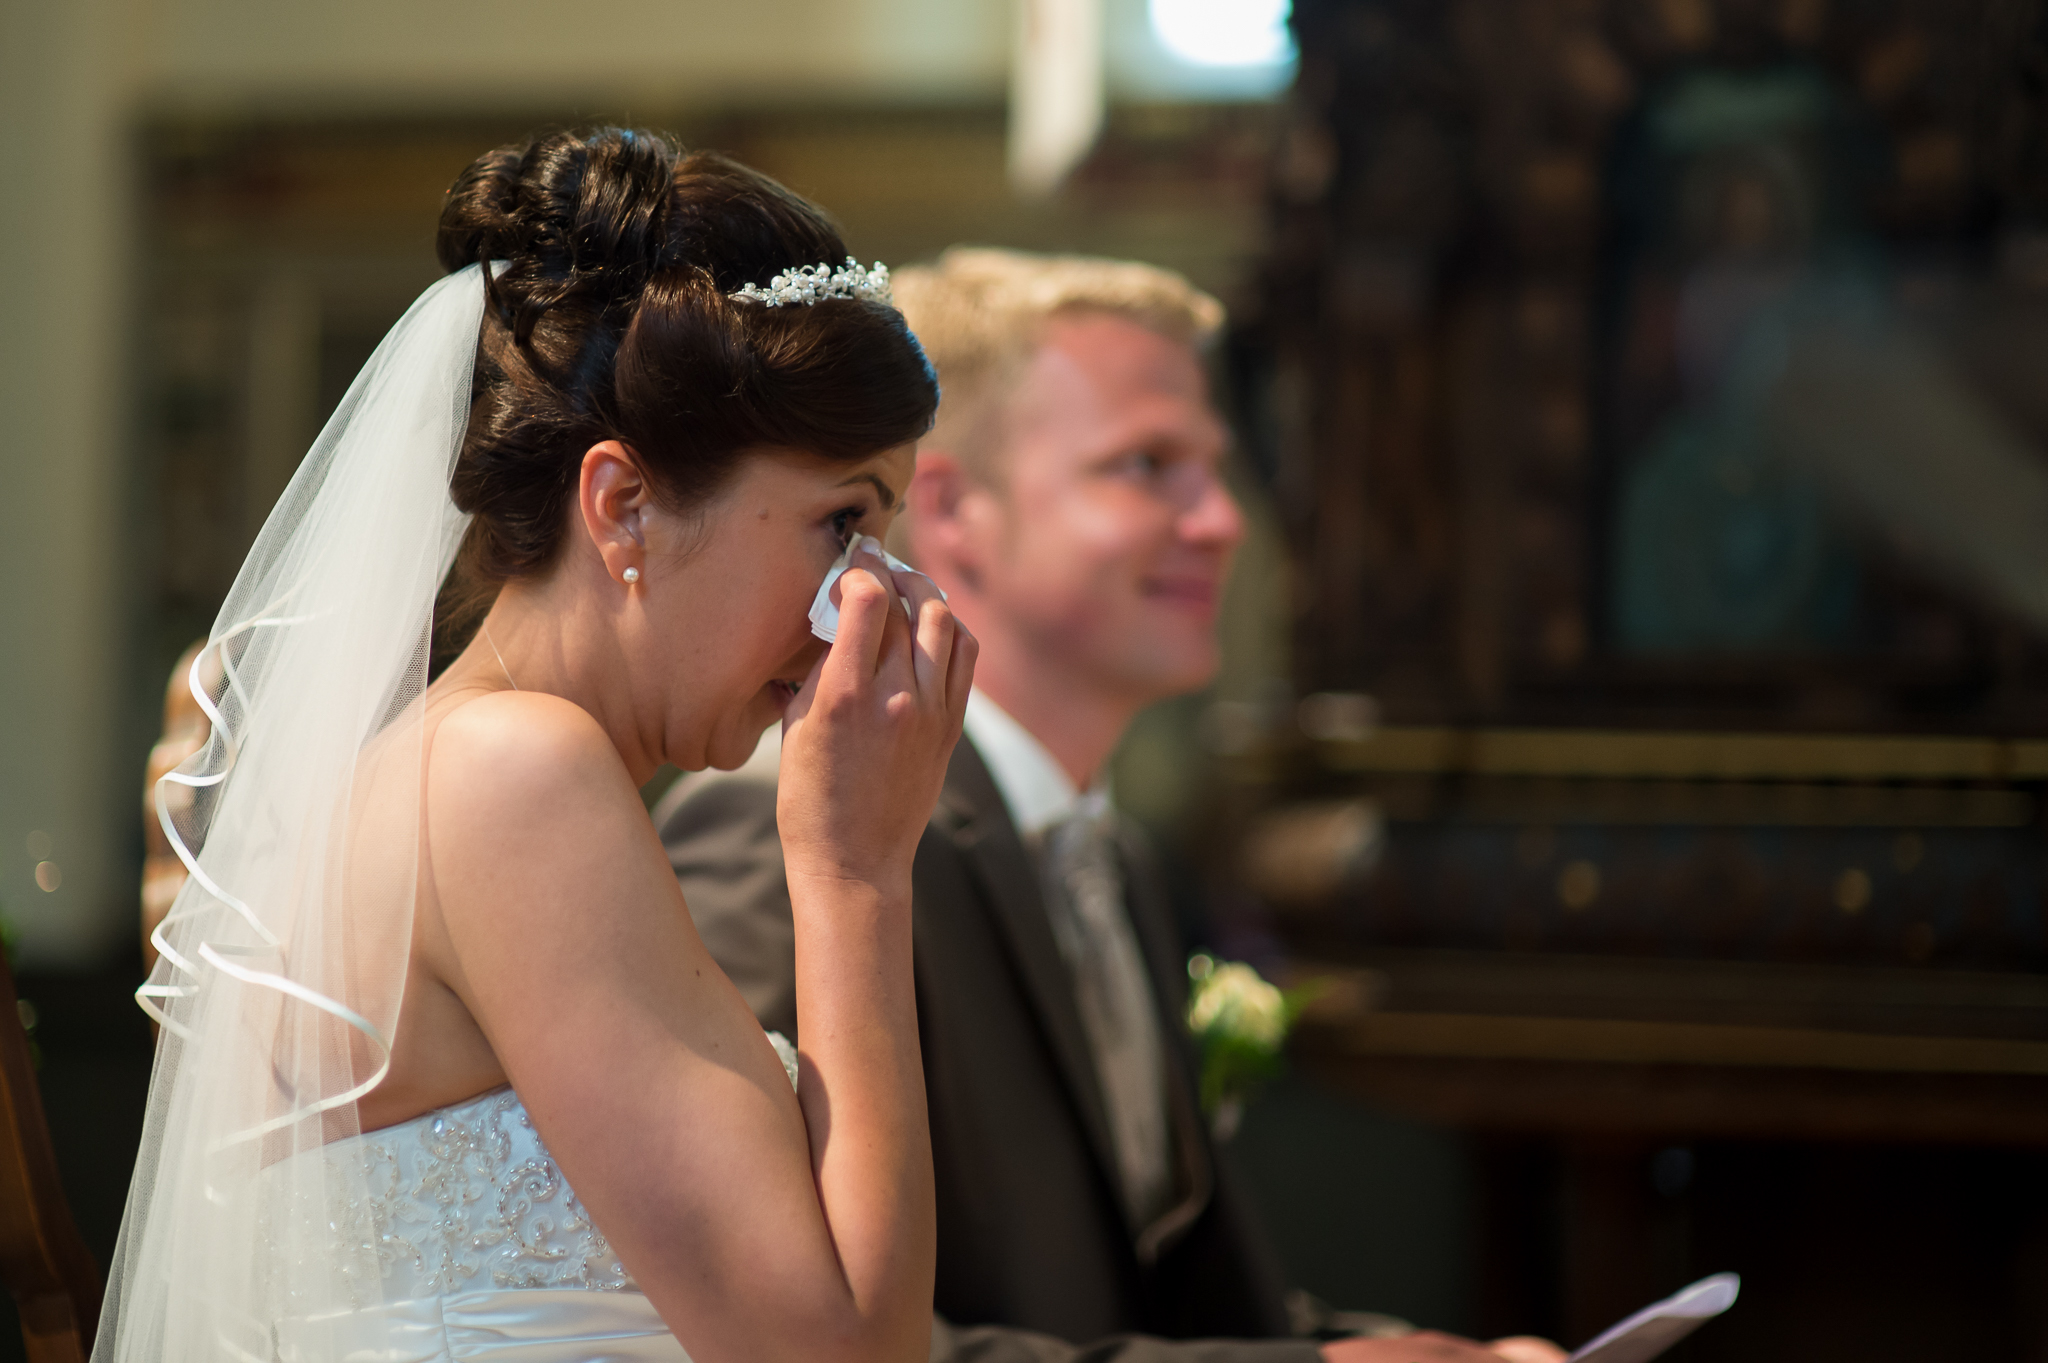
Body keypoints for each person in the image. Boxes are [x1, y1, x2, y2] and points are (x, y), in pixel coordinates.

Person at [100, 129, 973, 1363]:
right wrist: (854, 874)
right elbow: (836, 1353)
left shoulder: (468, 764)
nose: (864, 600)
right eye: (842, 522)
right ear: (623, 505)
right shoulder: (511, 773)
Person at [656, 250, 1564, 1363]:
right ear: (955, 510)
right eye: (1146, 466)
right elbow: (767, 1325)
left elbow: (1157, 1303)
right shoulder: (783, 830)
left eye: (1213, 470)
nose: (1220, 521)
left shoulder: (1117, 859)